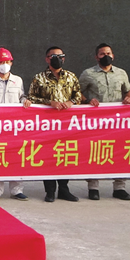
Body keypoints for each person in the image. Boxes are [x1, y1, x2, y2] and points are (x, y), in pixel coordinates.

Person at [78, 43, 130, 201]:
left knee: (120, 152)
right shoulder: (88, 73)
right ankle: (93, 187)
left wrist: (129, 97)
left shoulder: (121, 73)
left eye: (108, 53)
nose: (106, 56)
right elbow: (76, 92)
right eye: (102, 54)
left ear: (113, 55)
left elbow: (129, 90)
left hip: (118, 121)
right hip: (96, 121)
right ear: (97, 57)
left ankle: (119, 187)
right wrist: (87, 101)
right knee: (95, 151)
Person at [28, 46, 82, 203]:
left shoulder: (71, 76)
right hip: (47, 125)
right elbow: (31, 97)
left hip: (67, 125)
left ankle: (64, 189)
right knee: (48, 156)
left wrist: (71, 102)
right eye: (53, 56)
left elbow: (78, 95)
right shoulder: (39, 78)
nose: (58, 59)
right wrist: (49, 102)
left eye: (60, 56)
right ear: (47, 59)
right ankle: (50, 191)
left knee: (64, 155)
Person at [0, 48, 29, 201]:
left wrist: (25, 101)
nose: (4, 65)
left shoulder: (18, 80)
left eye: (7, 61)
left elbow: (22, 96)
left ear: (11, 62)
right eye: (1, 62)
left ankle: (17, 189)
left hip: (15, 125)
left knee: (16, 156)